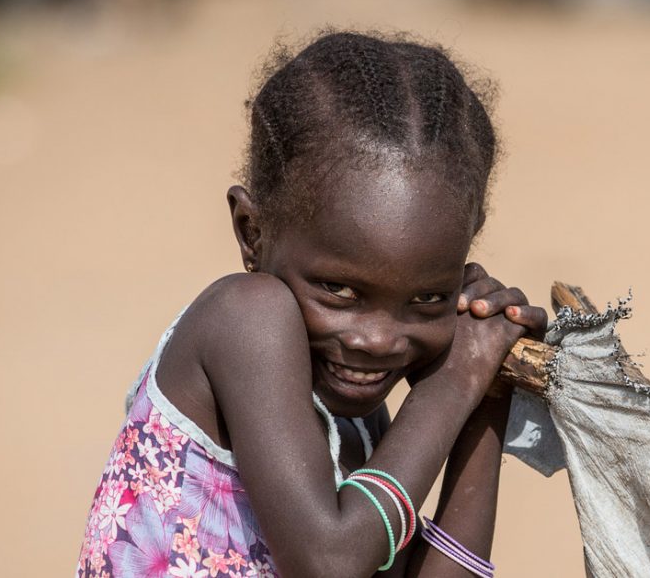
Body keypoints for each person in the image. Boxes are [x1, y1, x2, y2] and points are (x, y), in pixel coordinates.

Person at [76, 30, 548, 578]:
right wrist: (451, 386)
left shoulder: (353, 413)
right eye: (339, 291)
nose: (377, 340)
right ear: (252, 232)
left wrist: (485, 393)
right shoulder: (245, 319)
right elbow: (330, 563)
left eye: (427, 298)